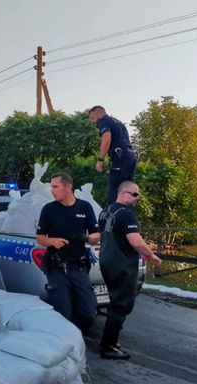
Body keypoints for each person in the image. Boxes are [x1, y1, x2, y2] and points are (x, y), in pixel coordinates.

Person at [98, 181, 161, 360]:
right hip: (122, 266)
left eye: (137, 195)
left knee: (115, 302)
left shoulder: (105, 212)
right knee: (121, 305)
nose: (137, 198)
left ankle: (109, 341)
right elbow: (135, 241)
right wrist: (152, 255)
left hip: (107, 263)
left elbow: (102, 236)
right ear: (123, 193)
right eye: (134, 194)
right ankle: (108, 347)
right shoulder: (127, 215)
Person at [36, 173, 101, 333]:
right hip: (56, 266)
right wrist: (53, 241)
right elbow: (40, 237)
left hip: (78, 266)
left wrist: (87, 237)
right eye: (51, 186)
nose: (52, 190)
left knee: (88, 312)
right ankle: (65, 342)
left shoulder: (84, 207)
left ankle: (76, 333)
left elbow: (97, 234)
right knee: (63, 311)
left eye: (55, 187)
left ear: (68, 187)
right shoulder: (49, 209)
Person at [88, 105, 137, 205]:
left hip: (120, 158)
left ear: (98, 114)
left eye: (92, 118)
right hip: (130, 156)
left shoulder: (104, 121)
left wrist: (100, 160)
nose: (93, 122)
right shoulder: (118, 122)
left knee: (115, 191)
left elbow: (106, 139)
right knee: (128, 190)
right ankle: (127, 216)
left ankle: (114, 217)